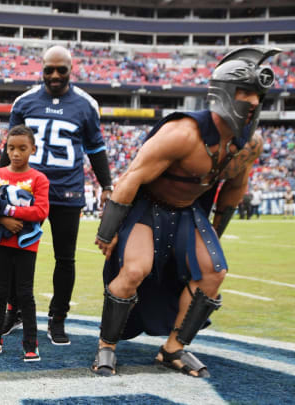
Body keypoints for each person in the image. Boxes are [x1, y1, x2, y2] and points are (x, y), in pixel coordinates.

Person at [91, 47, 280, 378]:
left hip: (189, 212)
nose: (253, 101)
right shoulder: (182, 133)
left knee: (213, 272)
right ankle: (107, 346)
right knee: (134, 270)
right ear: (224, 92)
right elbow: (131, 177)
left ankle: (173, 348)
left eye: (258, 95)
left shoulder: (250, 145)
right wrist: (108, 232)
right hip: (148, 208)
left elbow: (234, 189)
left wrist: (215, 233)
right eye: (244, 91)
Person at [0, 45, 114, 344]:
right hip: (26, 192)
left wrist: (106, 185)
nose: (55, 75)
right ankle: (15, 310)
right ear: (42, 68)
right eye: (49, 69)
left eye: (61, 69)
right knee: (17, 254)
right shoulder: (25, 101)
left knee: (65, 258)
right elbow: (10, 147)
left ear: (71, 69)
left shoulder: (85, 104)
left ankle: (58, 317)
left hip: (67, 192)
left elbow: (96, 149)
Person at [0, 125, 49, 362]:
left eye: (22, 148)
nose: (16, 153)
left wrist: (8, 211)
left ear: (33, 149)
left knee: (25, 294)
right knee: (0, 293)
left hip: (27, 245)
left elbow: (41, 211)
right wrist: (4, 219)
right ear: (6, 149)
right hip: (1, 242)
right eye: (11, 148)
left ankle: (31, 343)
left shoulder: (38, 179)